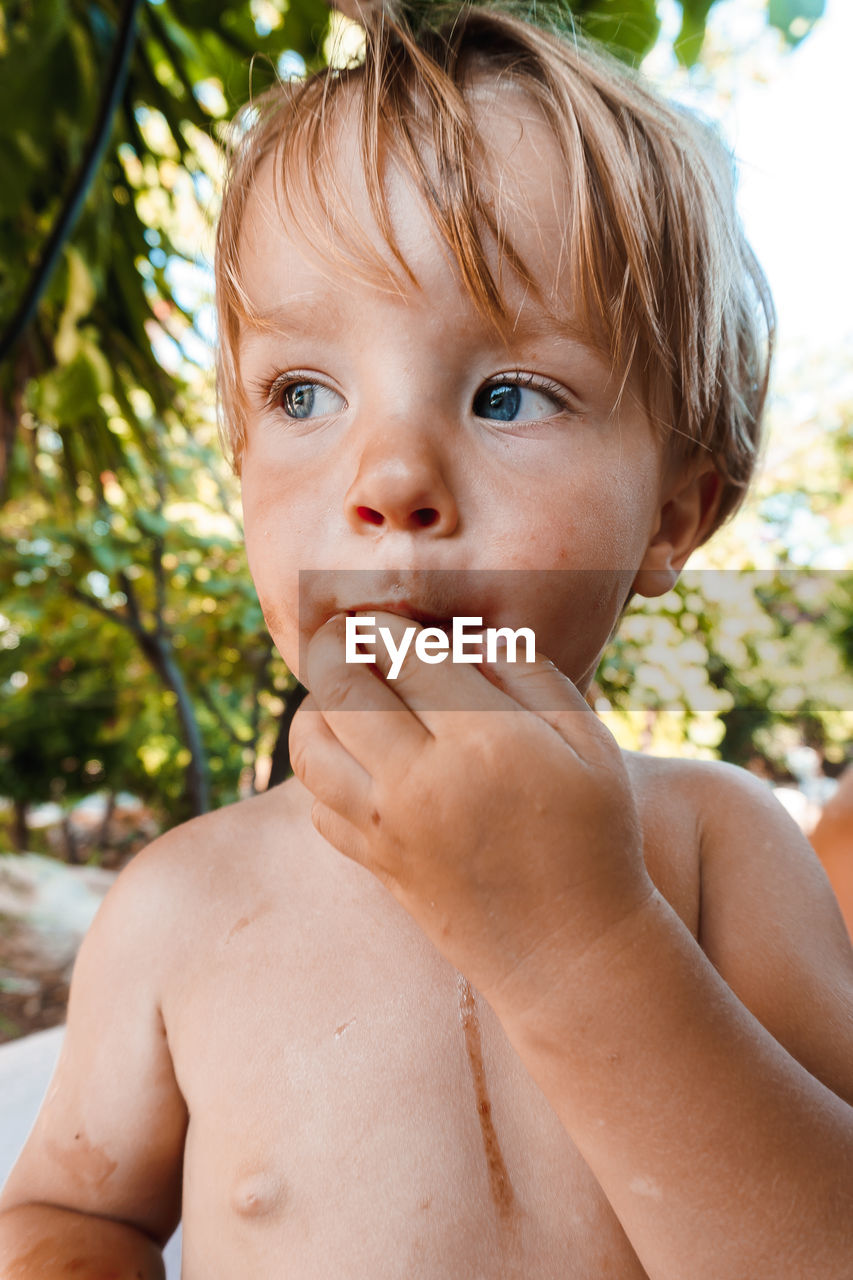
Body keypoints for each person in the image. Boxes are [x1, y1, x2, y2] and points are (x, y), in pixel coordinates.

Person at [2, 3, 852, 1276]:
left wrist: (584, 939)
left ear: (675, 513)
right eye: (303, 393)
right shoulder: (179, 903)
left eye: (508, 394)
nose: (389, 475)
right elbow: (73, 1212)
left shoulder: (717, 850)